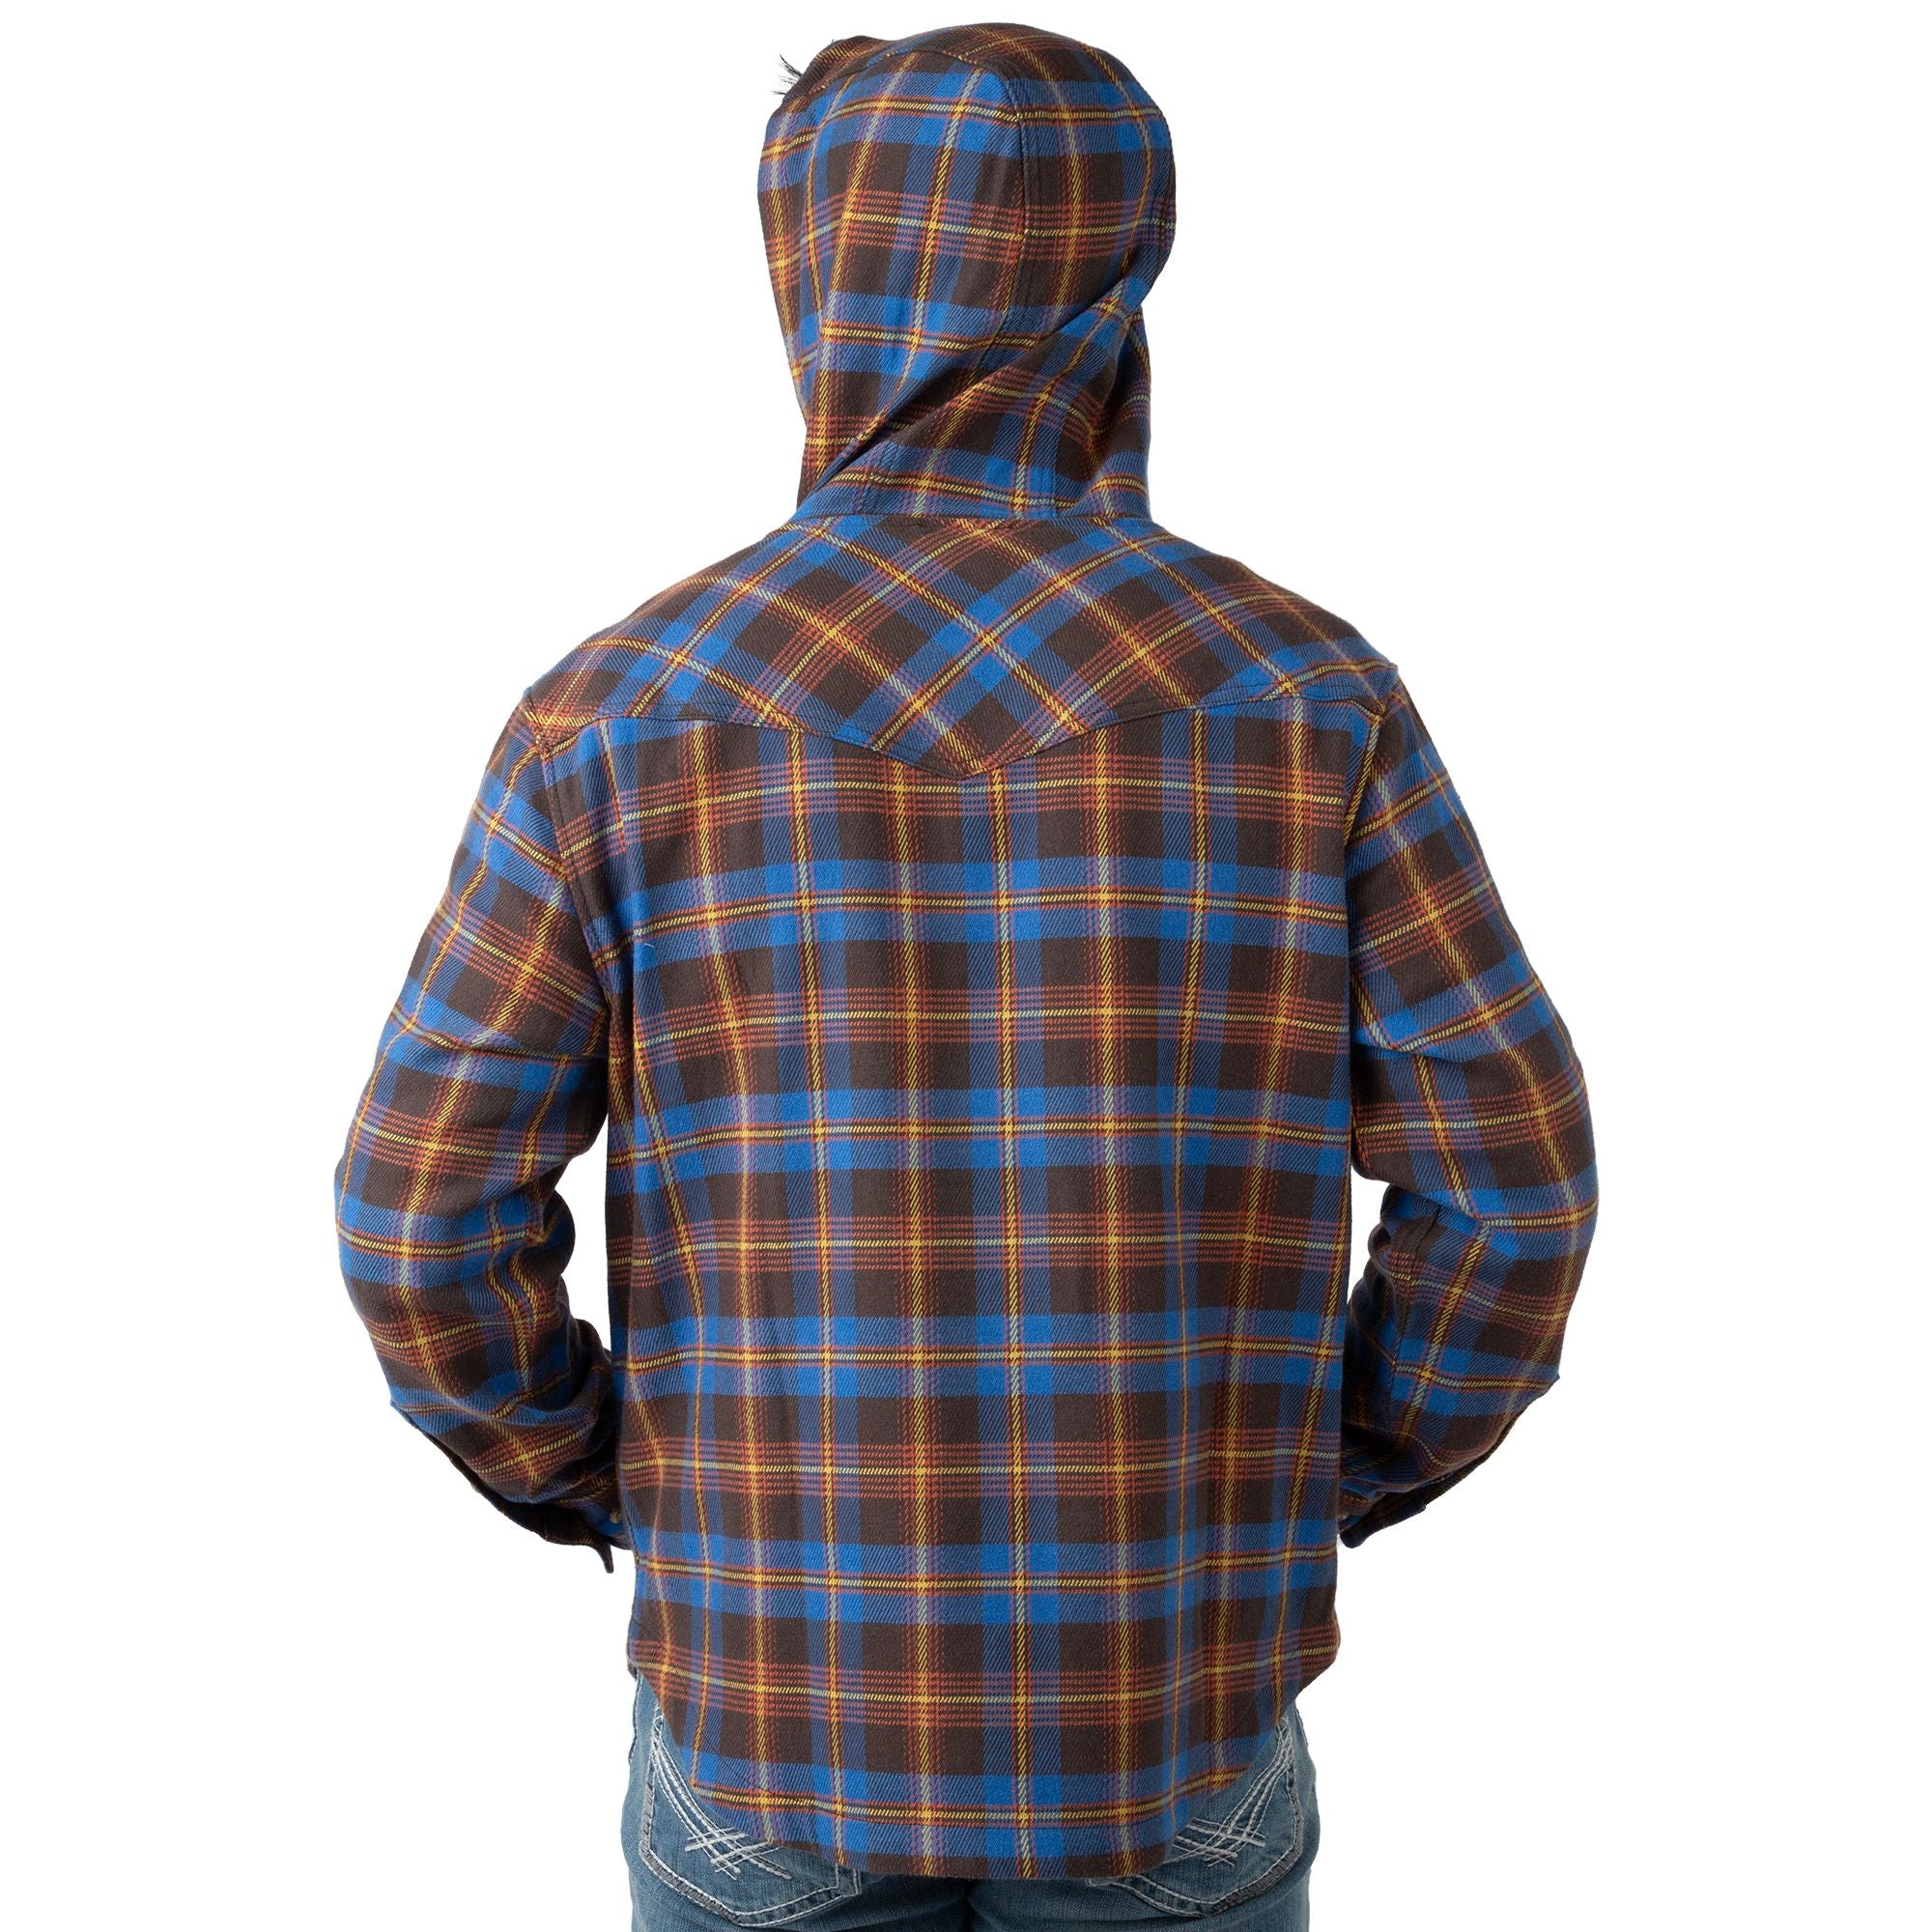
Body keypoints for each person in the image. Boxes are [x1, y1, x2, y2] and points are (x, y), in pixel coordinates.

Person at [332, 22, 1599, 1928]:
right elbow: (1512, 1186)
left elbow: (418, 1210)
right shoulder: (1309, 692)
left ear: (811, 277)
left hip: (767, 1710)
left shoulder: (614, 711)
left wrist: (603, 1477)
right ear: (1120, 282)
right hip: (1173, 1709)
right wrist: (1322, 1475)